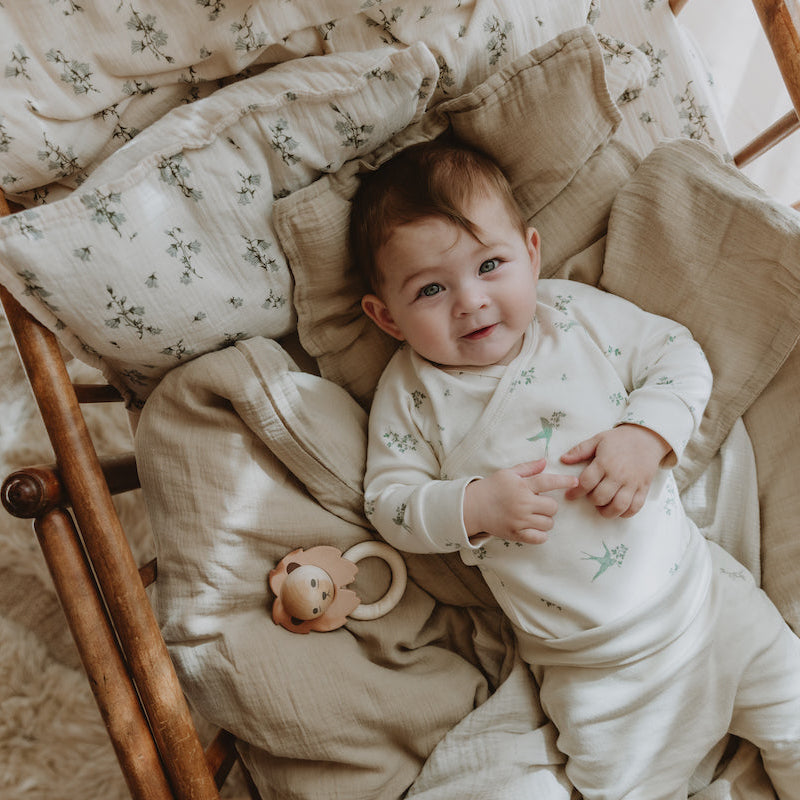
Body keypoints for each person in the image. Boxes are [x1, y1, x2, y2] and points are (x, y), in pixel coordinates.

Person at [350, 138, 800, 799]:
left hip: (707, 604)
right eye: (432, 289)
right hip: (597, 675)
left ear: (532, 255)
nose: (470, 301)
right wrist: (473, 506)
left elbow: (677, 355)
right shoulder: (411, 396)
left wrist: (643, 435)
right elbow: (388, 503)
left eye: (491, 265)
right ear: (386, 316)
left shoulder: (571, 315)